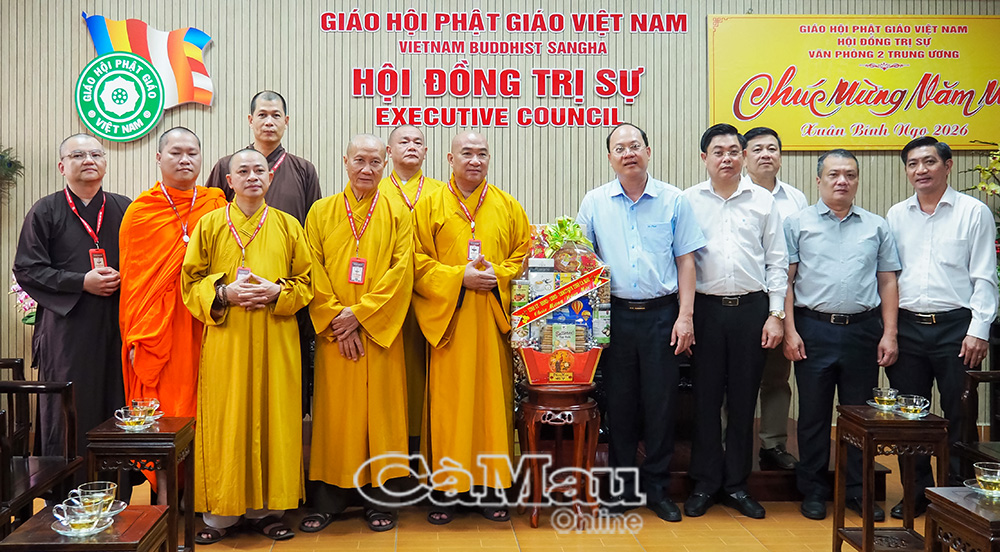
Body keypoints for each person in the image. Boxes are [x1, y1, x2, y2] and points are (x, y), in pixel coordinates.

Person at [181, 148, 313, 544]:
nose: (253, 176)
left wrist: (277, 291)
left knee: (275, 418)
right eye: (244, 171)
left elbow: (308, 283)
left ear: (270, 178)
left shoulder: (289, 225)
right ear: (229, 181)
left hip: (277, 336)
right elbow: (190, 282)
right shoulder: (210, 224)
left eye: (259, 170)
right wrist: (223, 293)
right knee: (228, 419)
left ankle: (268, 511)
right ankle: (220, 514)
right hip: (228, 339)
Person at [576, 123, 706, 522]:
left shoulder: (674, 200)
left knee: (661, 404)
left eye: (635, 146)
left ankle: (657, 490)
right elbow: (580, 260)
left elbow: (686, 261)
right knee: (619, 405)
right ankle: (621, 490)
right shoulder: (595, 202)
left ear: (648, 152)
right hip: (614, 316)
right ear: (610, 158)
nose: (628, 153)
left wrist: (686, 317)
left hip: (662, 316)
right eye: (620, 148)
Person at [411, 131, 530, 524]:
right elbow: (416, 262)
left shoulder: (508, 206)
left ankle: (491, 488)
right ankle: (446, 491)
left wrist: (499, 274)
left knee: (491, 406)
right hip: (450, 323)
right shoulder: (429, 206)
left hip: (492, 322)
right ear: (450, 158)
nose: (475, 160)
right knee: (450, 407)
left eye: (482, 153)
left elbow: (523, 258)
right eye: (467, 153)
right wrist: (457, 277)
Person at [302, 135, 413, 533]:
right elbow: (310, 268)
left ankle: (381, 500)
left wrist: (360, 316)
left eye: (375, 162)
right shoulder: (321, 211)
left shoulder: (399, 212)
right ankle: (329, 498)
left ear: (385, 164)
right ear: (345, 161)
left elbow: (402, 272)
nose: (367, 169)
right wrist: (338, 319)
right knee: (336, 416)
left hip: (379, 332)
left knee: (382, 416)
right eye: (360, 160)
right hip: (335, 335)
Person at [782, 149, 900, 521]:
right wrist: (789, 330)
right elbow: (785, 282)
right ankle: (814, 491)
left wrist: (890, 333)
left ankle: (858, 491)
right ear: (819, 180)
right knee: (813, 416)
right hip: (812, 329)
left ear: (857, 180)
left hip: (863, 331)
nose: (842, 181)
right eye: (833, 174)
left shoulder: (876, 226)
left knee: (859, 416)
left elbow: (887, 281)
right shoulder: (797, 223)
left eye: (849, 174)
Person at [886, 136, 999, 518]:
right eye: (913, 164)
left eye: (929, 162)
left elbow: (984, 276)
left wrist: (979, 329)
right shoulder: (896, 215)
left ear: (947, 166)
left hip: (956, 328)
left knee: (959, 415)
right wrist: (889, 329)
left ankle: (956, 497)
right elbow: (889, 276)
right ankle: (915, 492)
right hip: (907, 326)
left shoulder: (973, 212)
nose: (921, 170)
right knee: (908, 417)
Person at [682, 124, 787, 519]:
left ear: (743, 156)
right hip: (705, 310)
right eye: (717, 152)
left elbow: (777, 262)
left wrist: (775, 314)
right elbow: (681, 262)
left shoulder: (763, 201)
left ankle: (737, 485)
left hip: (751, 310)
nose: (726, 158)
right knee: (705, 400)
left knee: (744, 399)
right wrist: (685, 316)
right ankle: (705, 482)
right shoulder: (688, 201)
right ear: (704, 158)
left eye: (732, 151)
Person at [13, 134, 130, 480]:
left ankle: (115, 491)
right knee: (68, 410)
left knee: (115, 403)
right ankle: (65, 490)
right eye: (78, 155)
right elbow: (27, 268)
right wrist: (82, 282)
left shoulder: (125, 208)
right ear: (62, 166)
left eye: (96, 154)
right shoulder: (45, 210)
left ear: (105, 162)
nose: (88, 160)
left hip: (116, 324)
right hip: (67, 329)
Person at [118, 127, 226, 495]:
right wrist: (136, 337)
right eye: (176, 152)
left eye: (192, 153)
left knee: (208, 408)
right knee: (164, 408)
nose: (184, 160)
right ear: (159, 158)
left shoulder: (216, 205)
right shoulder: (141, 212)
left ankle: (205, 493)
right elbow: (134, 284)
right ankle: (165, 499)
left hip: (207, 322)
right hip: (159, 330)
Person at [205, 90, 321, 416]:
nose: (269, 122)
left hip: (283, 295)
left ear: (286, 121)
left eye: (276, 115)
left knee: (283, 389)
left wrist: (284, 291)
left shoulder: (303, 170)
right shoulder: (227, 166)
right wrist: (223, 292)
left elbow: (312, 232)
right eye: (262, 115)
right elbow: (213, 226)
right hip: (233, 299)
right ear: (250, 120)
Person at [743, 127, 808, 472]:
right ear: (744, 156)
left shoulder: (795, 200)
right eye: (757, 149)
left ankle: (773, 444)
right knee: (733, 381)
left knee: (777, 378)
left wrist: (782, 312)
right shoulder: (732, 192)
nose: (766, 154)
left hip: (782, 303)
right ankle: (729, 444)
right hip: (742, 300)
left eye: (772, 148)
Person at [378, 125, 444, 449]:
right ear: (389, 152)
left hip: (431, 295)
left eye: (418, 142)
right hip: (388, 296)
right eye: (403, 141)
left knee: (426, 371)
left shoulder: (442, 193)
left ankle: (425, 444)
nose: (412, 146)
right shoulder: (375, 191)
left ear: (426, 152)